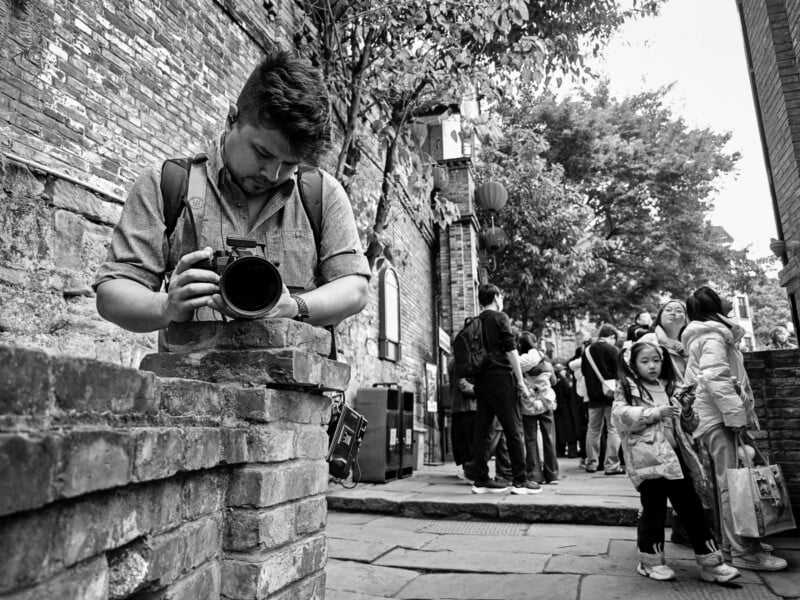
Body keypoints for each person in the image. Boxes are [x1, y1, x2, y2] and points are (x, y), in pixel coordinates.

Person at [93, 50, 370, 333]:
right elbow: (112, 293)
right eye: (262, 153)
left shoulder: (322, 194)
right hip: (192, 363)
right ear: (231, 119)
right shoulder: (168, 184)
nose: (272, 174)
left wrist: (294, 307)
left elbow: (355, 288)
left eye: (290, 163)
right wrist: (167, 306)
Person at [612, 341, 740, 583]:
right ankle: (650, 562)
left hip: (676, 458)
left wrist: (688, 410)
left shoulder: (671, 387)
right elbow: (620, 417)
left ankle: (712, 563)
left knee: (692, 508)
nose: (652, 366)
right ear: (633, 365)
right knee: (653, 511)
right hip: (648, 460)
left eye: (656, 360)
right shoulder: (628, 389)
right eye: (645, 361)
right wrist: (654, 413)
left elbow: (689, 426)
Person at [682, 286, 787, 571]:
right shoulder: (712, 336)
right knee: (734, 484)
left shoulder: (712, 334)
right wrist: (736, 417)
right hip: (719, 418)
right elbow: (715, 379)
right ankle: (744, 551)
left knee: (731, 482)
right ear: (713, 305)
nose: (729, 298)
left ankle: (733, 546)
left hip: (717, 416)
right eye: (722, 295)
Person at [468, 284, 540, 495]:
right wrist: (520, 381)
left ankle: (480, 480)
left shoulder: (474, 322)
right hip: (502, 380)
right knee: (513, 429)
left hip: (481, 381)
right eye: (501, 297)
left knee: (482, 431)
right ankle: (520, 481)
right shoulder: (500, 318)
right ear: (496, 297)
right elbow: (511, 351)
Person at [581, 324, 624, 475]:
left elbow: (584, 372)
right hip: (611, 396)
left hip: (593, 396)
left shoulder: (587, 351)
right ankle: (611, 465)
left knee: (593, 429)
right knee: (613, 429)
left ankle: (591, 463)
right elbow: (620, 372)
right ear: (612, 337)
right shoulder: (613, 350)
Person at [518, 332, 559, 484]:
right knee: (549, 437)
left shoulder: (518, 362)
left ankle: (534, 475)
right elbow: (554, 381)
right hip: (545, 402)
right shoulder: (545, 361)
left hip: (528, 404)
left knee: (530, 439)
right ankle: (552, 474)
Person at [447, 357, 477, 480]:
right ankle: (470, 472)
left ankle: (468, 469)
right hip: (468, 407)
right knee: (468, 443)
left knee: (464, 442)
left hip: (460, 407)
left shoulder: (454, 361)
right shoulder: (463, 360)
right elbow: (463, 386)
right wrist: (483, 390)